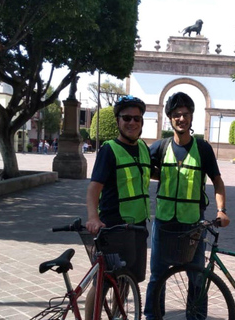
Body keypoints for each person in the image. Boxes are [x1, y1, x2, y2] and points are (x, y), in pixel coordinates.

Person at [144, 92, 230, 319]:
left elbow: (218, 182)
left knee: (197, 276)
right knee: (157, 276)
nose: (181, 118)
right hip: (164, 222)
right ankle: (153, 316)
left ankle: (197, 317)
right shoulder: (159, 148)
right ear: (170, 118)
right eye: (176, 115)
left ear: (192, 117)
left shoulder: (203, 149)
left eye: (185, 114)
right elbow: (141, 168)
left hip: (193, 223)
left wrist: (221, 211)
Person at [85, 95, 150, 319]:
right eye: (126, 118)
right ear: (118, 121)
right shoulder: (109, 150)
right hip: (113, 227)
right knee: (103, 283)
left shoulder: (143, 148)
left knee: (126, 279)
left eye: (137, 118)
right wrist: (93, 217)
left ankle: (116, 316)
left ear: (142, 122)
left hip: (138, 228)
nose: (132, 123)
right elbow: (94, 188)